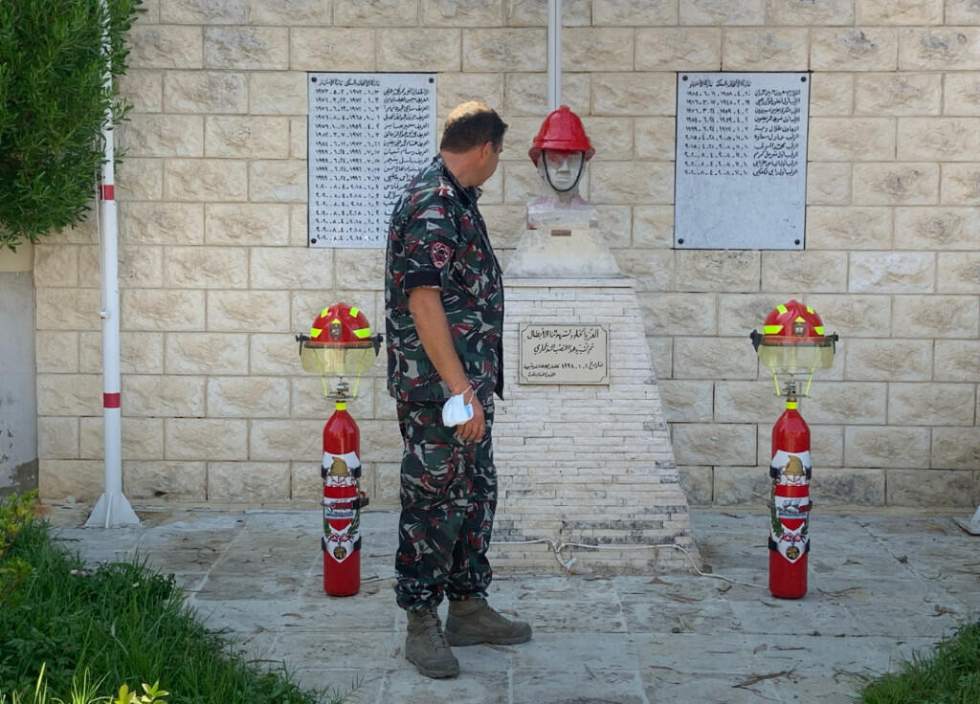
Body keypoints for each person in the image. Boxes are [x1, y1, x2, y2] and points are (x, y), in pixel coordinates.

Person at [384, 100, 532, 679]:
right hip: (438, 393)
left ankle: (467, 607)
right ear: (487, 149)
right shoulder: (433, 204)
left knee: (473, 495)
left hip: (463, 387)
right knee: (432, 502)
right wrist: (458, 391)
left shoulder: (457, 200)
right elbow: (423, 302)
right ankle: (421, 622)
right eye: (502, 154)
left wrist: (472, 389)